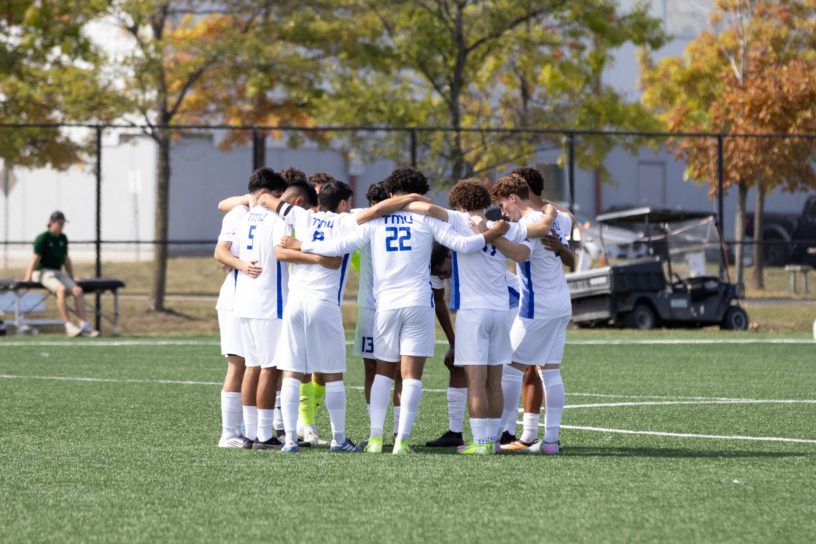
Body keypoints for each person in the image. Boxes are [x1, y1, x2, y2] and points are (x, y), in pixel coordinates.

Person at [285, 167, 510, 454]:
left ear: (390, 194)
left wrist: (302, 244)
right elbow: (462, 245)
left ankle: (376, 439)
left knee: (382, 372)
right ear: (421, 191)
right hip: (418, 303)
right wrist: (493, 234)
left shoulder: (375, 220)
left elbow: (339, 245)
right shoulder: (426, 218)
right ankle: (401, 441)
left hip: (385, 305)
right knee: (411, 376)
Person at [491, 174, 573, 455]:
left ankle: (495, 437)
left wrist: (488, 236)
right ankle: (550, 441)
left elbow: (520, 255)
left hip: (537, 306)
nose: (504, 213)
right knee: (549, 370)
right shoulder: (557, 218)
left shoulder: (527, 223)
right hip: (561, 302)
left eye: (504, 206)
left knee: (509, 366)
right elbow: (567, 217)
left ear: (514, 198)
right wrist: (550, 209)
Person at [212, 169, 264, 448]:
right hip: (234, 300)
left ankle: (255, 430)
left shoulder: (269, 215)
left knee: (258, 363)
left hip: (255, 300)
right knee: (238, 364)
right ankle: (228, 434)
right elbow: (221, 253)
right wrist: (241, 265)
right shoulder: (240, 212)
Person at [23, 211, 99, 337]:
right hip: (43, 272)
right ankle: (68, 326)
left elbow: (66, 259)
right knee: (61, 289)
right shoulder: (42, 238)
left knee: (78, 290)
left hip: (58, 272)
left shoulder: (63, 238)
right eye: (59, 223)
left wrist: (72, 276)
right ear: (51, 223)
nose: (61, 226)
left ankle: (84, 325)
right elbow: (35, 259)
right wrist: (27, 277)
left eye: (63, 224)